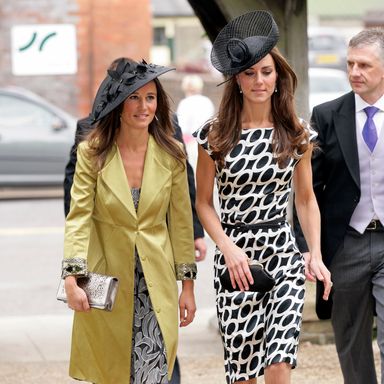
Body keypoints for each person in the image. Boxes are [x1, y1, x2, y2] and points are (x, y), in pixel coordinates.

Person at [193, 10, 332, 384]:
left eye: (266, 72)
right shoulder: (214, 135)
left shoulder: (297, 132)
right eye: (250, 73)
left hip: (282, 253)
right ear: (237, 79)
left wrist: (315, 254)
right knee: (242, 373)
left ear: (278, 76)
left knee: (279, 359)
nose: (259, 81)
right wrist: (226, 247)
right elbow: (203, 202)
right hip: (235, 257)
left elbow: (305, 201)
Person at [61, 57, 197, 384]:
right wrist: (71, 276)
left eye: (150, 98)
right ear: (119, 104)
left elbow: (180, 225)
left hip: (156, 281)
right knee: (112, 372)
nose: (143, 106)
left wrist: (188, 286)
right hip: (107, 279)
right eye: (134, 97)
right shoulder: (92, 152)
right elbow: (78, 217)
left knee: (154, 370)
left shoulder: (173, 155)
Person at [294, 28, 384, 384]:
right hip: (346, 244)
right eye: (350, 64)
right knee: (351, 342)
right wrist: (307, 248)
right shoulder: (327, 115)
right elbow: (306, 189)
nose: (354, 72)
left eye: (364, 65)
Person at [176, 74, 215, 139]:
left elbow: (182, 126)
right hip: (205, 139)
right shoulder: (207, 101)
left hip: (189, 141)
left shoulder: (185, 103)